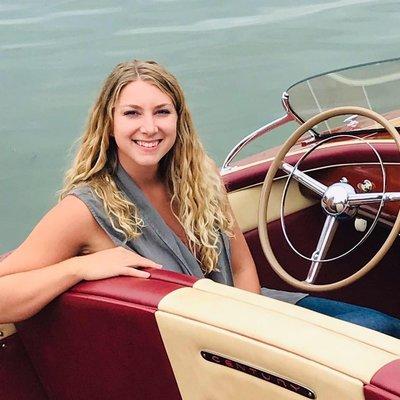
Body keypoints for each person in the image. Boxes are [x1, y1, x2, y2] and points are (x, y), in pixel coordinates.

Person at [0, 60, 399, 339]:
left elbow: (243, 268)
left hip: (252, 318)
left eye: (162, 111)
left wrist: (252, 329)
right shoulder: (83, 209)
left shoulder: (201, 175)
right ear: (109, 123)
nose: (149, 127)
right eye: (132, 114)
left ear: (179, 118)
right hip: (190, 351)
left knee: (384, 330)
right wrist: (77, 269)